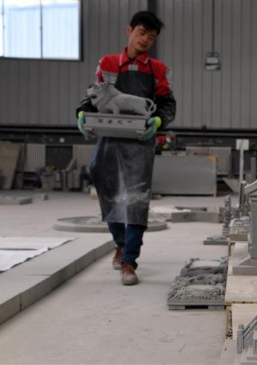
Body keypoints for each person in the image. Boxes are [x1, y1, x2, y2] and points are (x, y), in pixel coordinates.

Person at [76, 11, 176, 285]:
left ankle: (129, 261)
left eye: (152, 37)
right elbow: (92, 95)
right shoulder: (108, 64)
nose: (146, 40)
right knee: (107, 191)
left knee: (136, 199)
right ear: (129, 31)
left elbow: (167, 105)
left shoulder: (157, 69)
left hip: (139, 143)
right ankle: (120, 243)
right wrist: (82, 113)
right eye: (142, 33)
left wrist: (158, 120)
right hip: (108, 140)